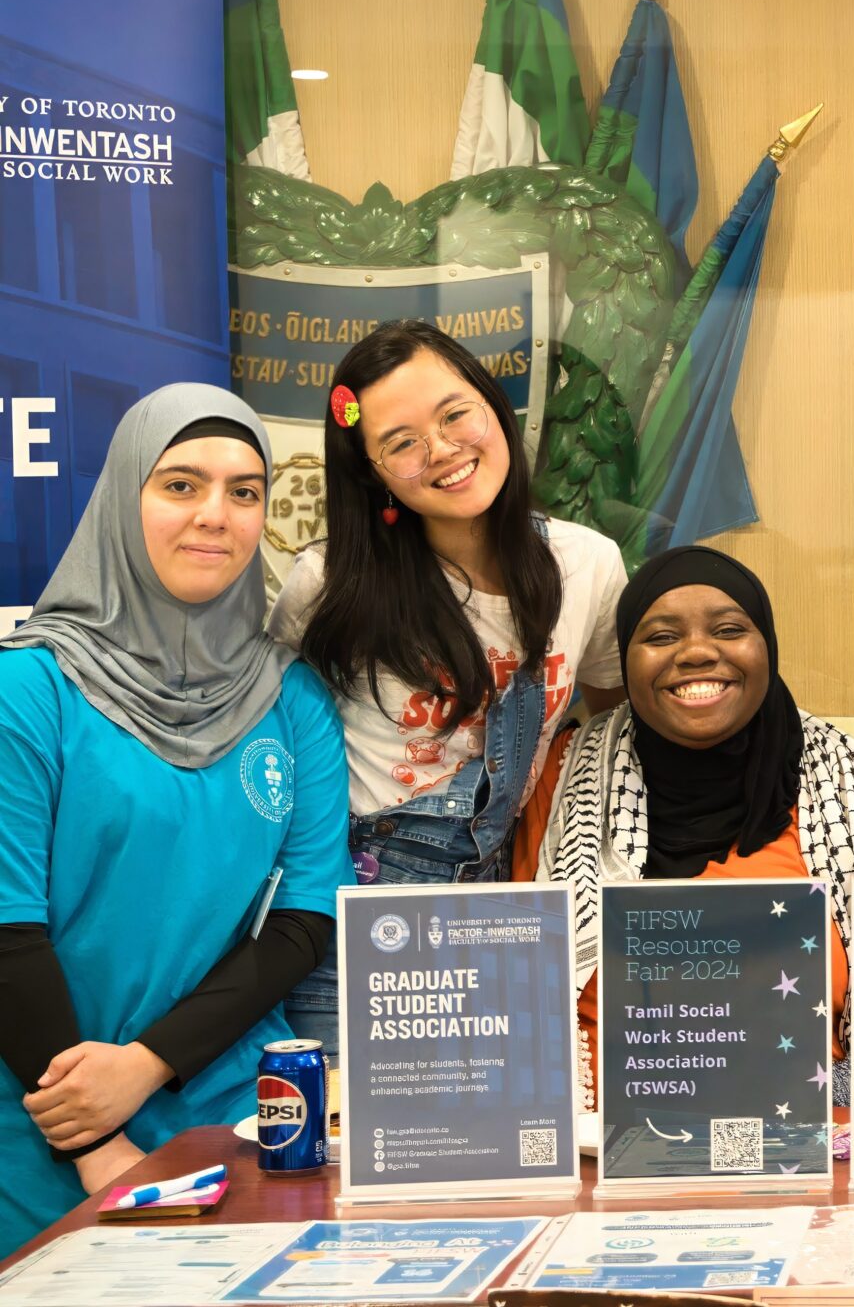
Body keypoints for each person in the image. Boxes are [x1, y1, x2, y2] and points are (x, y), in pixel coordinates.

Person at [0, 386, 351, 1253]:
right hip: (42, 1125)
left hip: (231, 1114)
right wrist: (90, 1136)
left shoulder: (291, 698)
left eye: (244, 492)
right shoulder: (29, 690)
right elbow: (5, 930)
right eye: (181, 484)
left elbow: (304, 923)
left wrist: (145, 1068)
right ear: (125, 496)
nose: (216, 517)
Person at [269, 320, 627, 1050]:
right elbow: (269, 745)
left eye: (454, 413)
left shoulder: (586, 566)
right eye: (400, 442)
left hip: (504, 911)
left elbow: (616, 732)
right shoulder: (328, 583)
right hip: (356, 913)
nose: (442, 450)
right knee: (346, 1154)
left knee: (490, 1146)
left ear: (493, 406)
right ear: (371, 473)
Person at [526, 546, 854, 1101]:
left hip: (807, 1143)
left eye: (728, 629)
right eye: (659, 637)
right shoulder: (560, 780)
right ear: (623, 663)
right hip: (602, 1149)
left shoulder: (847, 789)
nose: (697, 652)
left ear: (767, 648)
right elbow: (519, 987)